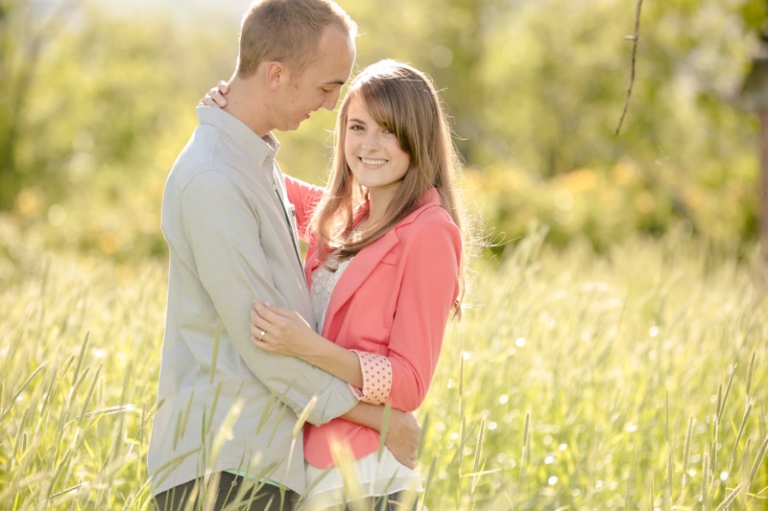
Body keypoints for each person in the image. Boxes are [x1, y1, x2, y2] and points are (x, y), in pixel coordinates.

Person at [148, 2, 421, 511]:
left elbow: (342, 215)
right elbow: (266, 343)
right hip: (223, 466)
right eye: (326, 87)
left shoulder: (251, 160)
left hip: (258, 462)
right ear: (276, 74)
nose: (327, 107)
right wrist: (378, 418)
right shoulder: (215, 179)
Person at [208, 59, 469, 510]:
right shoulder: (345, 218)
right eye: (357, 127)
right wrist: (228, 120)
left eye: (388, 130)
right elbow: (260, 179)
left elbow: (409, 383)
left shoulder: (429, 230)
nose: (369, 145)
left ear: (417, 137)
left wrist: (304, 345)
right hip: (310, 472)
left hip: (369, 478)